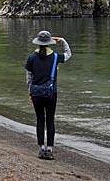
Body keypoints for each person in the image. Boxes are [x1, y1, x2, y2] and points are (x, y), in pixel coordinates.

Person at [25, 30, 72, 160]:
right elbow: (69, 54)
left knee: (40, 120)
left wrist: (30, 92)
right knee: (50, 120)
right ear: (49, 43)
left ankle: (41, 149)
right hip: (51, 93)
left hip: (36, 94)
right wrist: (63, 41)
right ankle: (50, 149)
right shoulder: (56, 57)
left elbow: (29, 77)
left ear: (38, 43)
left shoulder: (31, 58)